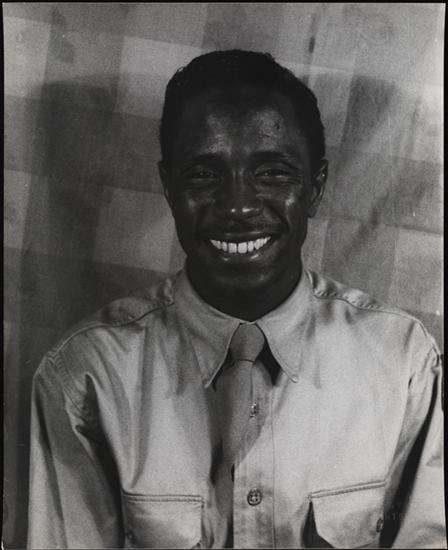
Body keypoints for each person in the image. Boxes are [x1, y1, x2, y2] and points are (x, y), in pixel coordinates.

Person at [27, 50, 445, 549]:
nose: (238, 206)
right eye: (204, 174)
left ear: (315, 188)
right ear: (168, 187)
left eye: (272, 173)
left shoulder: (403, 364)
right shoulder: (86, 376)